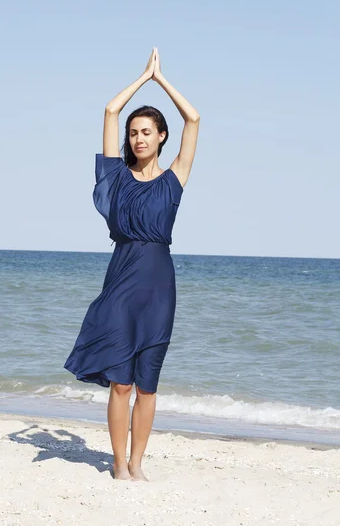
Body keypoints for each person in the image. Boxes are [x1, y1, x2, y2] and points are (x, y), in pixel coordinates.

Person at [64, 47, 200, 481]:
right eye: (134, 132)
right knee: (121, 381)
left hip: (159, 287)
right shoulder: (116, 178)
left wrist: (163, 81)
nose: (139, 138)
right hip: (122, 281)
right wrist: (142, 77)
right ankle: (119, 464)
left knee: (148, 383)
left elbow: (194, 120)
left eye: (147, 131)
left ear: (161, 136)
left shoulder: (175, 178)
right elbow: (109, 109)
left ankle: (139, 463)